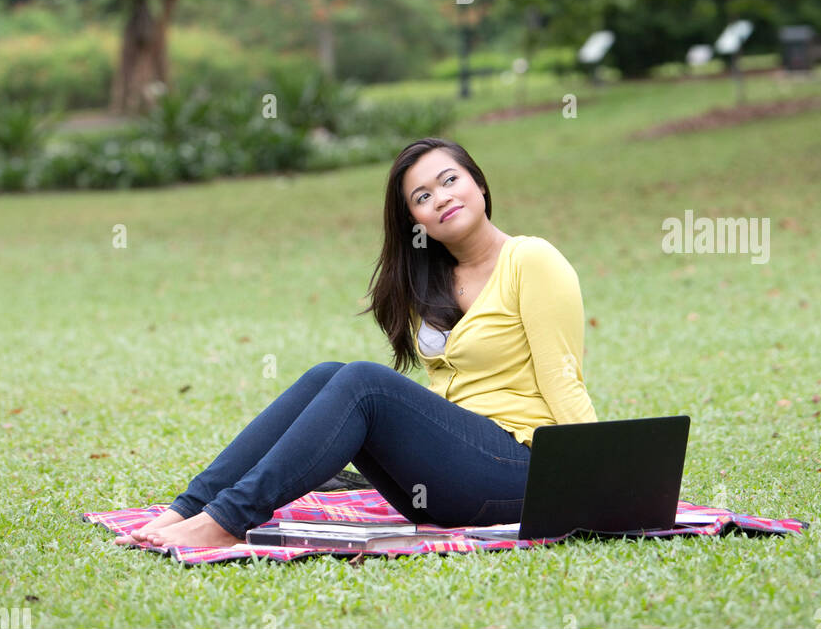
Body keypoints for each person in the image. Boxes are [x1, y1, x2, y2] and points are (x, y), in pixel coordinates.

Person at [119, 136, 598, 548]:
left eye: (450, 180)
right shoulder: (431, 281)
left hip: (523, 470)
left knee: (365, 383)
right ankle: (189, 510)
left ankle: (226, 522)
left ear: (480, 184)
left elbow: (562, 377)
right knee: (330, 374)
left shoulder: (531, 260)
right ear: (415, 220)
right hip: (454, 478)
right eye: (423, 196)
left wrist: (598, 484)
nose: (442, 198)